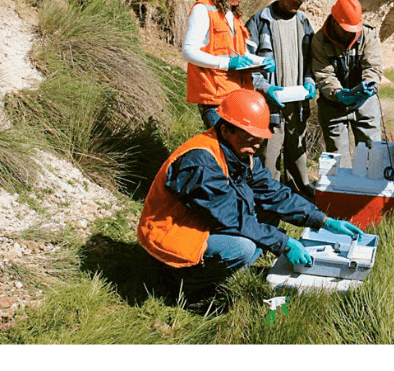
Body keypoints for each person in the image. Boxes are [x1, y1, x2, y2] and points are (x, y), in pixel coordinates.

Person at [137, 89, 361, 297]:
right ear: (226, 129)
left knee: (270, 213)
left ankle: (227, 273)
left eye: (259, 138)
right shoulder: (200, 162)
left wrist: (322, 220)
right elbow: (232, 218)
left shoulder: (238, 152)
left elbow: (274, 193)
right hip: (171, 239)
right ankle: (185, 289)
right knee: (243, 248)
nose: (256, 145)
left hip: (205, 220)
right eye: (250, 137)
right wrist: (284, 243)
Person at [245, 0, 316, 201]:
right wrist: (266, 90)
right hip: (270, 109)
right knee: (268, 163)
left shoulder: (304, 23)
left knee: (298, 158)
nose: (299, 2)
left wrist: (309, 82)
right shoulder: (259, 22)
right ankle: (267, 205)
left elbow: (311, 64)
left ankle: (299, 202)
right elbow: (248, 68)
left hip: (298, 107)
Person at [182, 0, 266, 129]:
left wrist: (260, 61)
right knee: (226, 150)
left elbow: (239, 54)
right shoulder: (203, 10)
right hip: (215, 101)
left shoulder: (233, 15)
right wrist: (226, 64)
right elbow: (188, 51)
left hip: (236, 97)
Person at [311, 0, 383, 167]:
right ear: (335, 22)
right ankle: (341, 193)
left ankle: (369, 193)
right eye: (346, 29)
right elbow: (323, 74)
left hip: (365, 102)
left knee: (372, 159)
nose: (351, 34)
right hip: (333, 105)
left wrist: (369, 84)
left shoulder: (368, 35)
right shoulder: (319, 40)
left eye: (354, 29)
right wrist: (337, 93)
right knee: (337, 164)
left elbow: (373, 67)